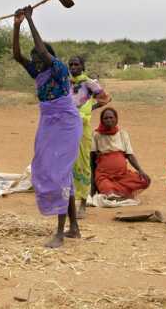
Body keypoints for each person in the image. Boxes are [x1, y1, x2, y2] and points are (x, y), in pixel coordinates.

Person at [12, 5, 82, 248]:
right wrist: (16, 25)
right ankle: (74, 227)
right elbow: (17, 57)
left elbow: (41, 48)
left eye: (39, 58)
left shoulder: (59, 69)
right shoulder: (39, 72)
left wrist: (31, 21)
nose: (35, 62)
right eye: (34, 60)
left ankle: (60, 233)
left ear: (47, 58)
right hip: (48, 123)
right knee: (49, 169)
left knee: (58, 173)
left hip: (66, 123)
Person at [69, 56, 111, 218]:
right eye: (71, 64)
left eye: (76, 64)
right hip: (67, 127)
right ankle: (69, 202)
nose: (73, 67)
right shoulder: (67, 83)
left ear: (82, 66)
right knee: (68, 162)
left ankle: (82, 204)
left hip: (82, 127)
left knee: (83, 163)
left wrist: (89, 109)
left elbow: (106, 98)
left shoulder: (89, 83)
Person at [90, 108, 150, 199]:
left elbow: (130, 155)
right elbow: (92, 159)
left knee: (145, 180)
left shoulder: (122, 133)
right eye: (105, 118)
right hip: (104, 176)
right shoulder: (96, 135)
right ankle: (113, 192)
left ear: (116, 119)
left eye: (111, 117)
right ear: (101, 120)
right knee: (108, 190)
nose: (109, 120)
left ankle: (118, 193)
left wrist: (140, 170)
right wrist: (93, 184)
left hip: (122, 175)